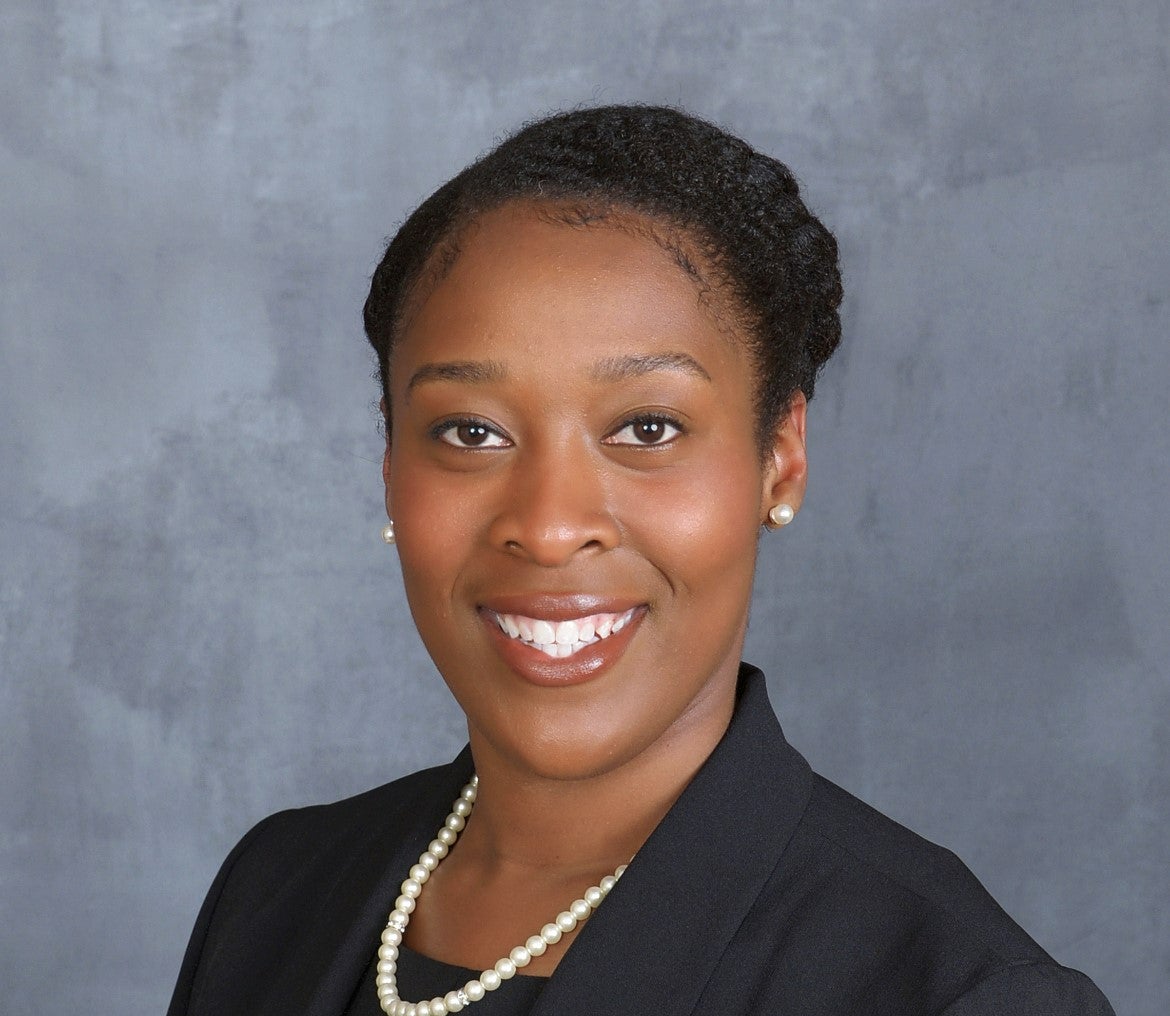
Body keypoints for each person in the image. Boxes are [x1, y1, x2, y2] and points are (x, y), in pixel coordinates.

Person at [167, 105, 1114, 1016]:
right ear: (389, 469)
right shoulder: (277, 892)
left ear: (778, 460)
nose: (546, 527)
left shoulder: (954, 992)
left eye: (647, 428)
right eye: (470, 431)